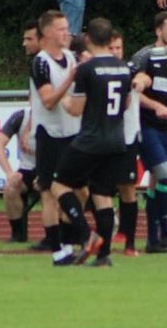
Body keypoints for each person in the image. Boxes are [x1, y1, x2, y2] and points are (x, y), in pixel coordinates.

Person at [50, 17, 130, 267]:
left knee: (59, 185)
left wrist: (64, 100)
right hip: (116, 140)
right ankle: (104, 255)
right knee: (102, 196)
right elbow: (126, 103)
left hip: (90, 140)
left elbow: (75, 109)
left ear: (89, 38)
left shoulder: (87, 69)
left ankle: (86, 235)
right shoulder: (123, 67)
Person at [130, 12, 167, 254]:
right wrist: (155, 105)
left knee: (159, 179)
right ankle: (166, 231)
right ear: (158, 31)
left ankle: (154, 239)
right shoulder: (145, 56)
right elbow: (133, 91)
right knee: (164, 175)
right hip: (146, 126)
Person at [30, 10, 81, 265]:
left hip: (72, 131)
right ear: (48, 32)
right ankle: (56, 247)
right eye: (61, 29)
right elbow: (48, 101)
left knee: (78, 190)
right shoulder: (40, 62)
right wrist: (70, 79)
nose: (66, 33)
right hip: (49, 133)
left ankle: (70, 241)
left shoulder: (71, 57)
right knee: (49, 191)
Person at [110, 29, 141, 256]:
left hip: (127, 138)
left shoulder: (130, 70)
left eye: (118, 48)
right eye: (111, 48)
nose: (115, 52)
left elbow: (143, 77)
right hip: (102, 137)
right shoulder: (96, 71)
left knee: (127, 188)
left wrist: (141, 80)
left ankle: (129, 242)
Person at [0, 107, 37, 243]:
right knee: (11, 187)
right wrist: (9, 173)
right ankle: (18, 234)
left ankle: (59, 234)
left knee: (54, 189)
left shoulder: (59, 117)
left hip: (53, 169)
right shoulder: (20, 116)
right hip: (28, 169)